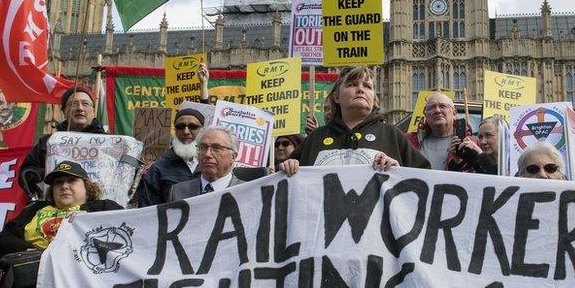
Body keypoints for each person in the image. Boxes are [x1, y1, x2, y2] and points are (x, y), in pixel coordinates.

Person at [279, 66, 430, 174]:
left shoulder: (392, 135)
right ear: (336, 97)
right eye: (352, 84)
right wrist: (289, 167)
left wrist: (400, 172)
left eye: (367, 86)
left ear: (374, 98)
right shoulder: (315, 138)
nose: (360, 89)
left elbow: (426, 181)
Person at [19, 85, 106, 196]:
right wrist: (53, 173)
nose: (80, 108)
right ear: (64, 111)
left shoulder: (109, 143)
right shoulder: (48, 143)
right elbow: (26, 175)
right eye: (73, 104)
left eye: (85, 104)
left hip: (100, 210)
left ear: (93, 110)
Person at [168, 127, 267, 201]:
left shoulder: (250, 193)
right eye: (203, 147)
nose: (207, 154)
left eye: (216, 148)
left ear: (233, 156)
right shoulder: (178, 192)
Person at [134, 108, 207, 207]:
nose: (186, 131)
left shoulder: (213, 164)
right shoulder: (158, 168)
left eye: (193, 126)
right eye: (180, 126)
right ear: (175, 131)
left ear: (202, 130)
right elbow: (147, 210)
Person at [406, 92, 470, 170]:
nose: (437, 110)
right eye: (431, 107)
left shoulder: (470, 142)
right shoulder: (408, 141)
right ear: (426, 115)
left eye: (443, 106)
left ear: (454, 113)